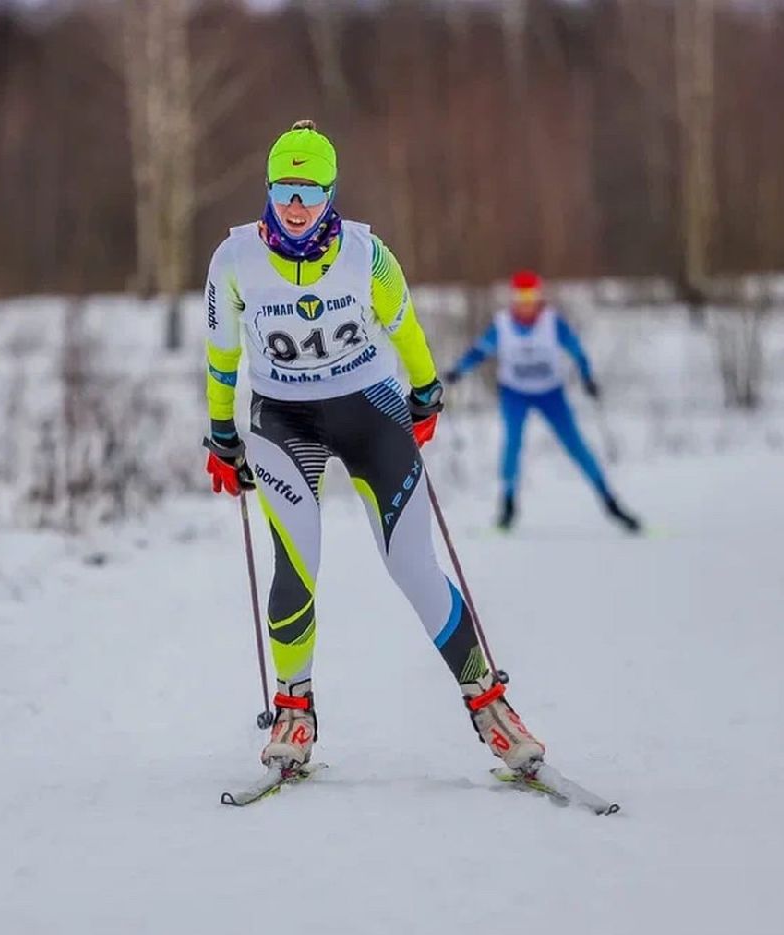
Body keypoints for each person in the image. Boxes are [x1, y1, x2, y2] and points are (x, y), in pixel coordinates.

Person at [202, 120, 545, 776]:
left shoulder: (368, 255)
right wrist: (221, 432)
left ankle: (490, 705)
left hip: (370, 410)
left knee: (413, 565)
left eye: (309, 191)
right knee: (296, 562)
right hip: (284, 420)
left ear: (330, 193)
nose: (295, 206)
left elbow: (404, 326)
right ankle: (294, 710)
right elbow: (221, 355)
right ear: (268, 189)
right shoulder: (233, 260)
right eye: (283, 190)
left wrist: (426, 391)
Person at [445, 271, 641, 533]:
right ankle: (508, 506)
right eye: (521, 297)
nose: (526, 304)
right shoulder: (503, 324)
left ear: (538, 297)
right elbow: (479, 351)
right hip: (515, 393)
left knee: (576, 445)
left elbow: (577, 351)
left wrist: (587, 378)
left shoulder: (552, 323)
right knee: (512, 445)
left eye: (531, 297)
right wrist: (458, 371)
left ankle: (610, 502)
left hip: (550, 394)